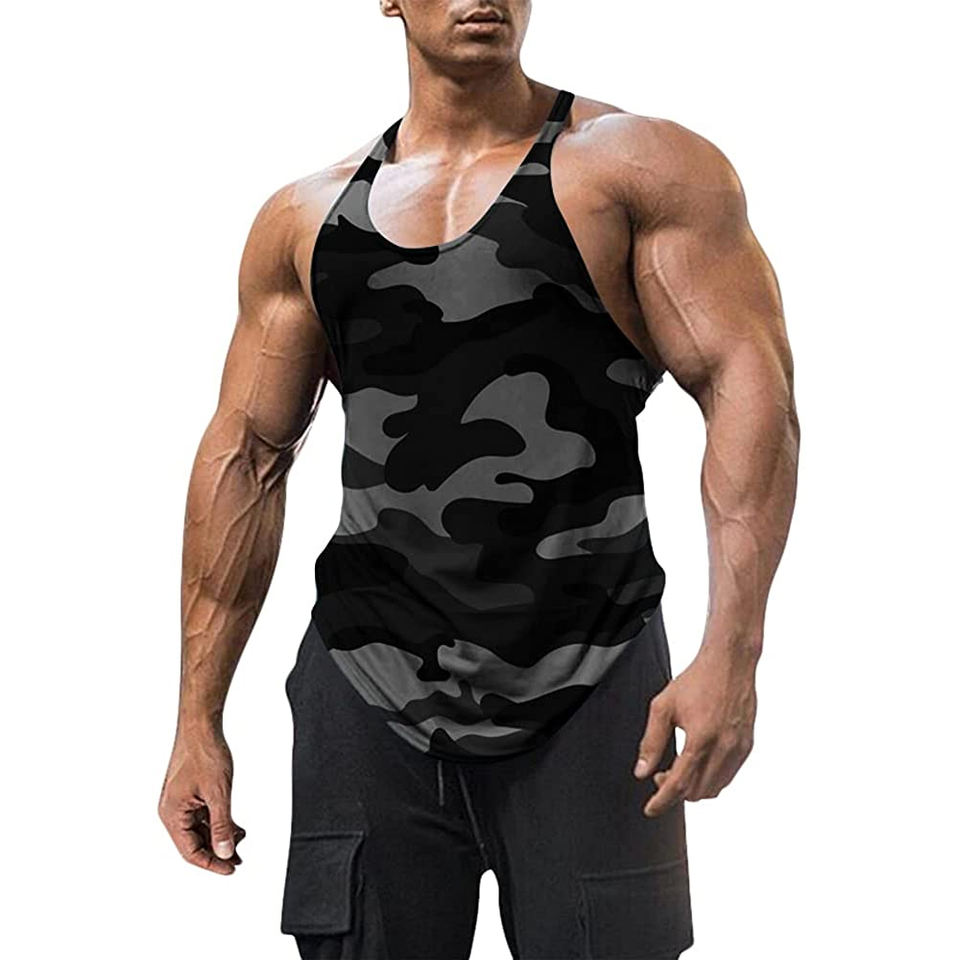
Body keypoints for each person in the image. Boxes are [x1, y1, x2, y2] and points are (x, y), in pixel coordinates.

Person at [159, 2, 799, 957]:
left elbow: (750, 390)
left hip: (593, 676)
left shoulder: (637, 168)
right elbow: (247, 456)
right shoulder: (308, 219)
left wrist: (732, 654)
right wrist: (195, 720)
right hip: (366, 684)